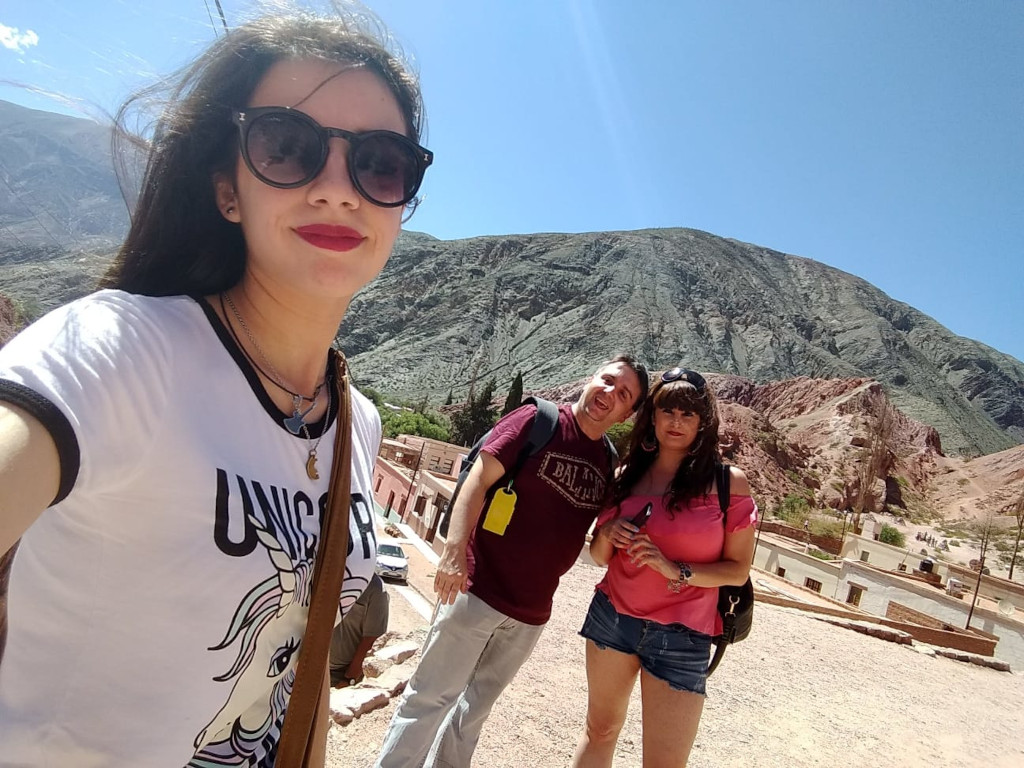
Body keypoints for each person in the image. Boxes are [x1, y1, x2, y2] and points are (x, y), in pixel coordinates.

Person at [0, 10, 431, 766]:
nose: (339, 190)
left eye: (381, 163)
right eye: (286, 146)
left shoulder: (356, 422)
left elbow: (299, 675)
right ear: (228, 189)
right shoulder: (122, 350)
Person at [376, 355, 650, 768]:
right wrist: (453, 554)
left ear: (627, 414)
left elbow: (594, 554)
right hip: (476, 590)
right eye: (608, 380)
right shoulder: (538, 421)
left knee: (472, 714)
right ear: (591, 377)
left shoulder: (606, 463)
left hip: (530, 616)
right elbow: (477, 479)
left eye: (624, 394)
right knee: (429, 701)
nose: (610, 393)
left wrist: (609, 535)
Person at [571, 368, 758, 768]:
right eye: (667, 411)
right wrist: (609, 532)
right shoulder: (626, 476)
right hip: (612, 620)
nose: (676, 421)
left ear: (702, 421)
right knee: (599, 732)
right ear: (652, 417)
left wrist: (675, 569)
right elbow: (600, 557)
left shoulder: (729, 485)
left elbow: (737, 571)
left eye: (687, 413)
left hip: (684, 636)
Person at [330, 573, 390, 688]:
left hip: (339, 674)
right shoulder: (329, 573)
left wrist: (349, 679)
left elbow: (372, 640)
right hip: (308, 663)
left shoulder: (376, 589)